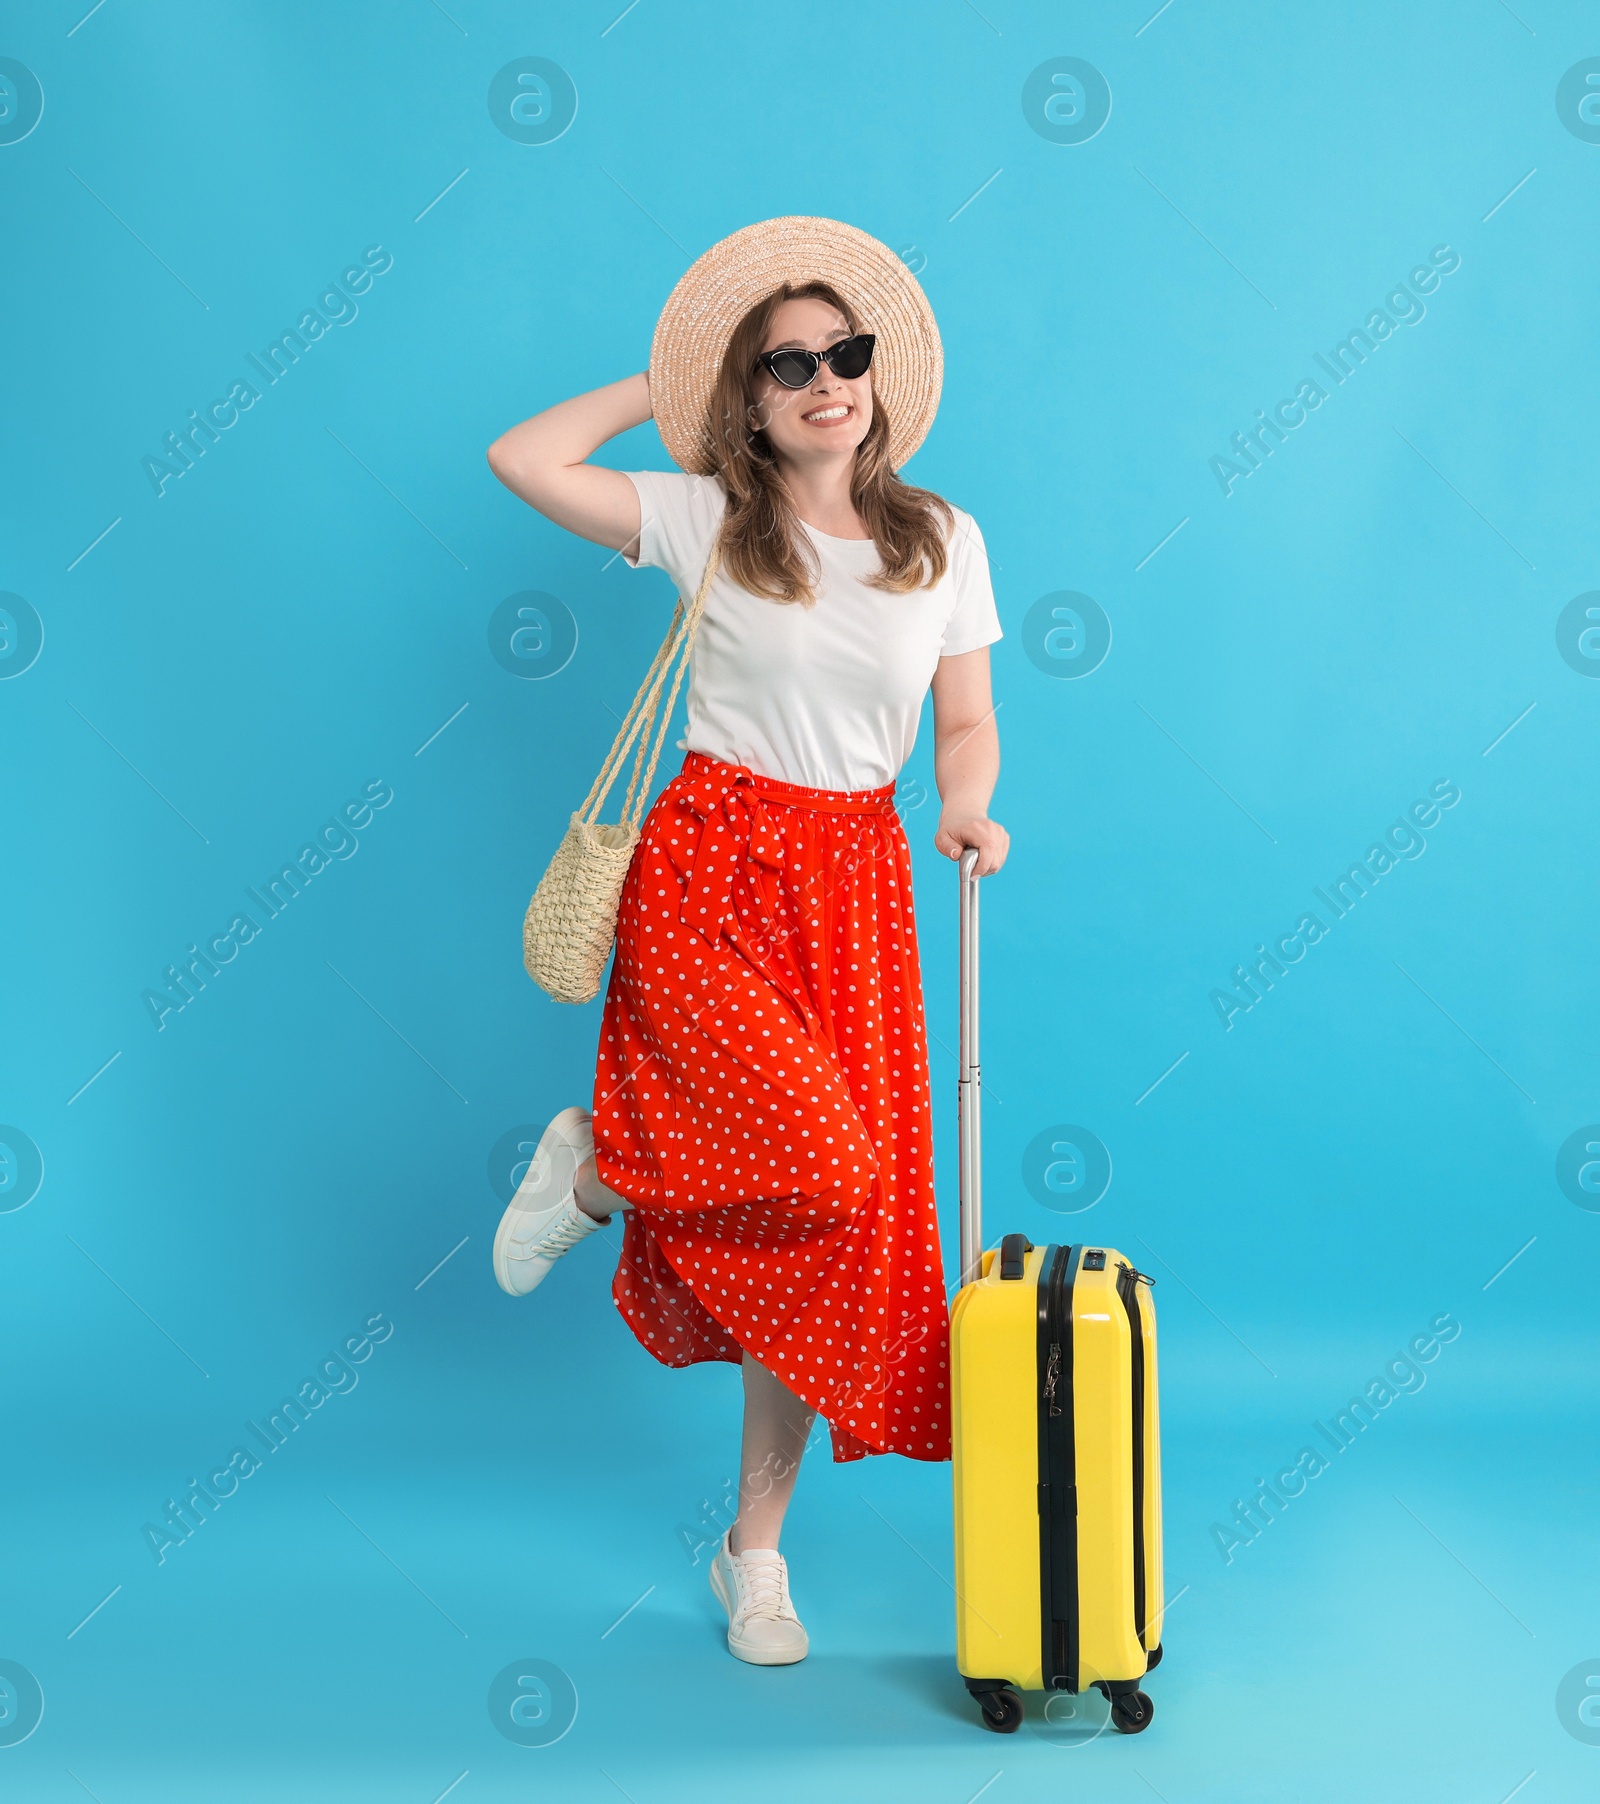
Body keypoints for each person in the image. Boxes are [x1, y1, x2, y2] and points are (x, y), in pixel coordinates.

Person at [485, 217, 1009, 1667]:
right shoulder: (707, 516)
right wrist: (663, 390)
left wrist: (966, 807)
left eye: (845, 354)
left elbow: (963, 721)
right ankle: (597, 1169)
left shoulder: (944, 539)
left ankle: (753, 1558)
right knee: (821, 1160)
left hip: (858, 880)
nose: (826, 379)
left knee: (827, 1232)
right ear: (756, 398)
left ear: (876, 378)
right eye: (789, 365)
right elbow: (523, 461)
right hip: (717, 859)